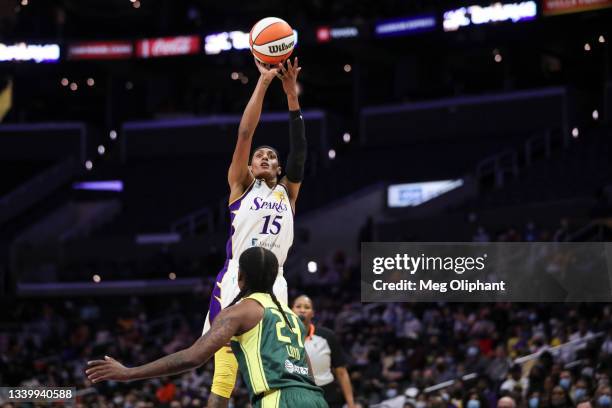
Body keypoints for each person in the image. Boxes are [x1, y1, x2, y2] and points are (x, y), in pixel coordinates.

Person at [86, 247, 328, 408]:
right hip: (316, 400)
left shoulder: (240, 311)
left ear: (240, 277)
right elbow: (307, 369)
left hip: (278, 400)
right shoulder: (292, 317)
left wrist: (128, 373)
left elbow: (193, 357)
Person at [204, 56, 306, 407]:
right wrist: (264, 82)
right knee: (225, 370)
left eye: (271, 156)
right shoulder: (241, 186)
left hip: (275, 280)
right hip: (238, 278)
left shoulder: (288, 193)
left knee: (277, 366)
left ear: (279, 167)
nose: (264, 157)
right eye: (259, 155)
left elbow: (300, 152)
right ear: (248, 166)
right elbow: (245, 133)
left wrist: (291, 96)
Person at [292, 295, 356, 408]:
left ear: (313, 313)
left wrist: (351, 404)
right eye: (298, 306)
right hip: (298, 395)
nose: (302, 310)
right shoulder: (283, 337)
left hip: (328, 394)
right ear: (291, 310)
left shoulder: (327, 336)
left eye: (307, 307)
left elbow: (341, 372)